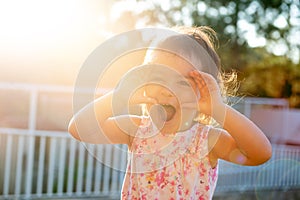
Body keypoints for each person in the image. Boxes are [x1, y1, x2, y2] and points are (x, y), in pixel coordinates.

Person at [68, 26, 272, 199]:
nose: (166, 90)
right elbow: (79, 129)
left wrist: (218, 110)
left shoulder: (207, 140)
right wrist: (119, 96)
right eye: (157, 77)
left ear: (203, 94)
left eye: (182, 82)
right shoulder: (137, 129)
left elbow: (260, 154)